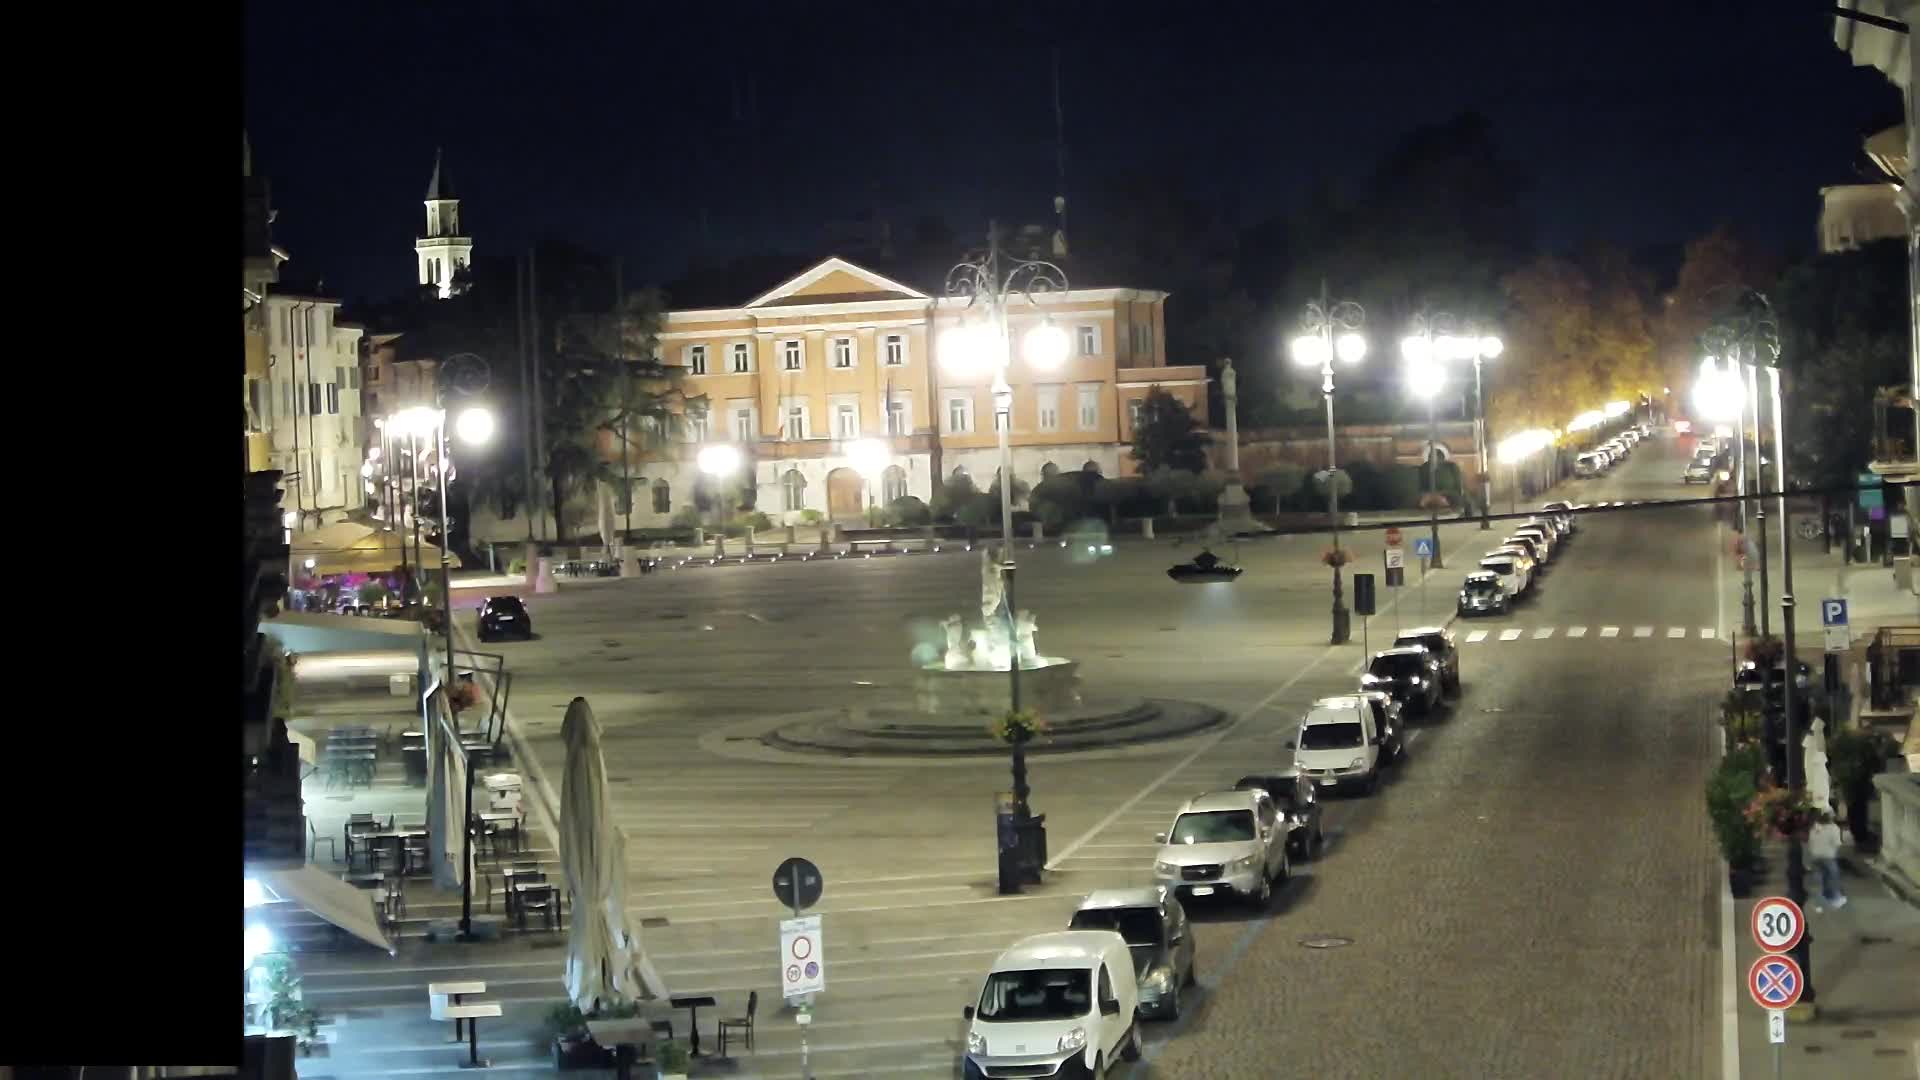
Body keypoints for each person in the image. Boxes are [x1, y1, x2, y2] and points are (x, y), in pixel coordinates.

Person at [1807, 809, 1846, 911]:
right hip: (1829, 857)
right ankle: (1835, 899)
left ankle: (1818, 904)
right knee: (1832, 878)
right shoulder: (1834, 828)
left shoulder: (1815, 828)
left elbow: (1810, 842)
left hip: (1816, 857)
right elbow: (1837, 844)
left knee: (1818, 880)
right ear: (1831, 817)